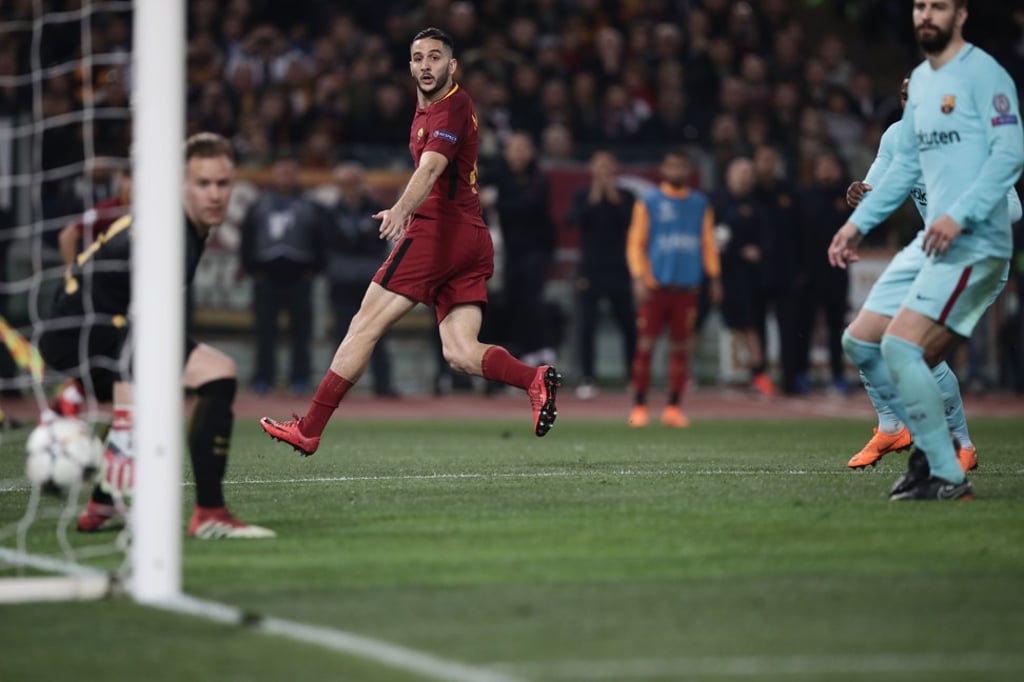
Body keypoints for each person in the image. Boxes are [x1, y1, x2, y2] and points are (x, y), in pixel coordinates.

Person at [259, 28, 560, 456]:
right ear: (410, 66)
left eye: (435, 57)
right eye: (418, 58)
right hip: (471, 238)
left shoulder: (450, 107)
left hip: (438, 233)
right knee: (459, 351)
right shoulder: (431, 111)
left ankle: (310, 427)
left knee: (364, 324)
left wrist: (401, 209)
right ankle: (534, 379)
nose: (426, 65)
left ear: (451, 66)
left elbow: (433, 167)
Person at [828, 0, 1024, 500]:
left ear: (960, 16)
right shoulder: (919, 105)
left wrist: (958, 216)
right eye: (919, 6)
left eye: (938, 6)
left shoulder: (985, 79)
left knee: (904, 347)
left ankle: (946, 468)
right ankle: (905, 434)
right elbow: (894, 181)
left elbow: (1010, 169)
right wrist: (857, 225)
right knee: (860, 340)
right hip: (929, 245)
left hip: (973, 245)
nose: (926, 15)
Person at [37, 132, 274, 538]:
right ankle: (210, 513)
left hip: (82, 324)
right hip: (85, 330)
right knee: (217, 373)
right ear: (181, 184)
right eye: (203, 184)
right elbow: (139, 330)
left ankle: (103, 503)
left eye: (222, 183)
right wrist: (127, 421)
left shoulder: (180, 225)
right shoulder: (170, 239)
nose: (215, 194)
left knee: (176, 383)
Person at [625, 149, 722, 428]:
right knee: (645, 345)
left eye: (682, 167)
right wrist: (639, 277)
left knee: (681, 347)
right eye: (672, 166)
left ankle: (673, 407)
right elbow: (636, 242)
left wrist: (714, 277)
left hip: (687, 287)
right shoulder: (649, 201)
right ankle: (640, 405)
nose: (677, 171)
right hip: (656, 286)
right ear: (664, 170)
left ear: (687, 171)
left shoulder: (700, 203)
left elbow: (707, 243)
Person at [240, 155, 327, 395]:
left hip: (299, 277)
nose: (285, 177)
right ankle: (262, 378)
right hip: (266, 276)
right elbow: (247, 239)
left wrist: (315, 269)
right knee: (264, 332)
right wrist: (251, 269)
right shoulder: (259, 204)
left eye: (290, 172)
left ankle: (300, 378)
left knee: (301, 333)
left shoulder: (310, 205)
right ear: (273, 174)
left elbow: (320, 239)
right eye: (281, 172)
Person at [565, 149, 637, 400]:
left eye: (608, 166)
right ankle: (587, 377)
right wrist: (594, 198)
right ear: (592, 169)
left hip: (619, 268)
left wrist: (613, 197)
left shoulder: (626, 196)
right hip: (590, 270)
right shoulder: (583, 195)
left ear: (615, 168)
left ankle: (634, 376)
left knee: (628, 324)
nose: (604, 171)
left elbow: (633, 224)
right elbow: (570, 221)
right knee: (587, 325)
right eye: (599, 166)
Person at [324, 162, 398, 398]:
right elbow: (331, 242)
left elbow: (377, 240)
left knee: (377, 334)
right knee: (342, 336)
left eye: (353, 183)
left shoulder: (375, 209)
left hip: (370, 281)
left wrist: (353, 241)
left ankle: (383, 384)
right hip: (342, 282)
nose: (350, 188)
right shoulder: (332, 212)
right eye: (345, 184)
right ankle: (336, 390)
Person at [484, 131, 557, 364]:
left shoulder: (538, 177)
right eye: (514, 148)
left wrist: (497, 202)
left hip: (535, 248)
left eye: (523, 148)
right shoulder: (498, 174)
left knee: (531, 297)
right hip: (507, 252)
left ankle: (542, 348)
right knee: (512, 300)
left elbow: (528, 207)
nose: (518, 154)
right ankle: (523, 352)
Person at [713, 157, 776, 397]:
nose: (744, 176)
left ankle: (758, 374)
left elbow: (767, 238)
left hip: (745, 276)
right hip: (715, 271)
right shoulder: (716, 201)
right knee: (696, 322)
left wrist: (757, 250)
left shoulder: (758, 204)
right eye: (740, 171)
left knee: (748, 324)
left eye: (749, 172)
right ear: (728, 174)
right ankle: (683, 376)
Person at [794, 150, 851, 395]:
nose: (827, 171)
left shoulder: (847, 197)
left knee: (836, 326)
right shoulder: (804, 196)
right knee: (804, 326)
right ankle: (802, 373)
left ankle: (837, 375)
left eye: (831, 165)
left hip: (837, 272)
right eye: (823, 165)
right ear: (815, 170)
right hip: (810, 272)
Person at [57, 165, 132, 266]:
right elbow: (67, 235)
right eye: (128, 177)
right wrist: (72, 275)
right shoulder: (106, 209)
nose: (132, 184)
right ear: (120, 181)